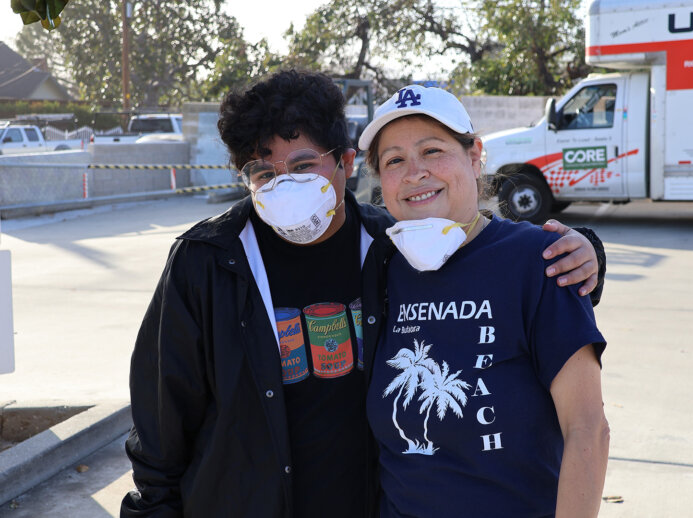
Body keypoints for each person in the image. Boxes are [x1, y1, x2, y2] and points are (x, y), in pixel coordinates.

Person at [120, 70, 606, 518]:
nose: (284, 184)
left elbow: (484, 257)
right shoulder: (208, 263)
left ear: (346, 163)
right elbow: (159, 426)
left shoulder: (387, 248)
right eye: (263, 173)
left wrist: (585, 252)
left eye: (304, 164)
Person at [359, 85, 609, 518]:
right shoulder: (379, 266)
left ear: (475, 156)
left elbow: (588, 429)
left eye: (433, 151)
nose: (415, 172)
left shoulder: (541, 260)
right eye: (394, 160)